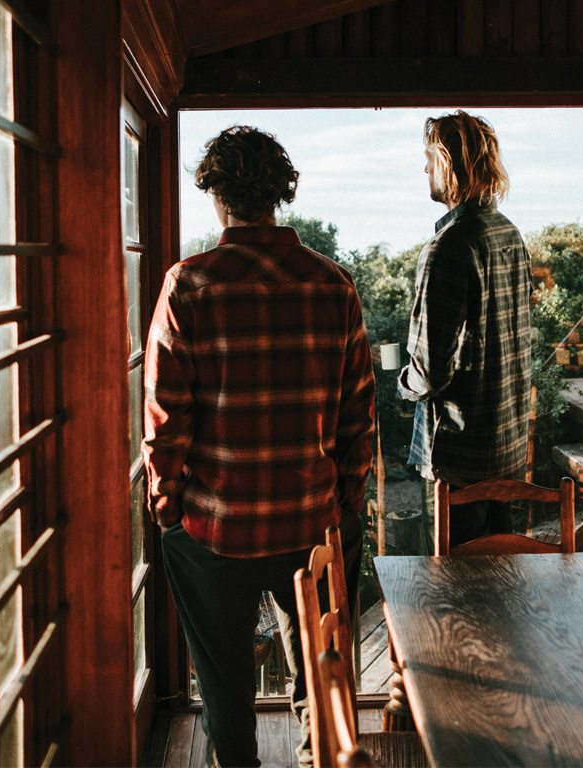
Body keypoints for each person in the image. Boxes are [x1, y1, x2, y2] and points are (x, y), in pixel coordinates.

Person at [142, 126, 374, 768]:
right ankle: (321, 758)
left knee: (224, 690)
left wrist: (167, 507)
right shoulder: (334, 285)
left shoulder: (188, 285)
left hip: (217, 526)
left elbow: (166, 418)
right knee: (323, 677)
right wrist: (345, 503)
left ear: (218, 196)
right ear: (281, 194)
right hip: (313, 518)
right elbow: (360, 411)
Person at [398, 110, 533, 550]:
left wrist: (401, 384)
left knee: (455, 596)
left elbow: (430, 371)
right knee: (502, 579)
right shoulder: (511, 236)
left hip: (459, 460)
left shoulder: (447, 249)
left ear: (451, 164)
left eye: (429, 159)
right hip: (507, 448)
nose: (423, 169)